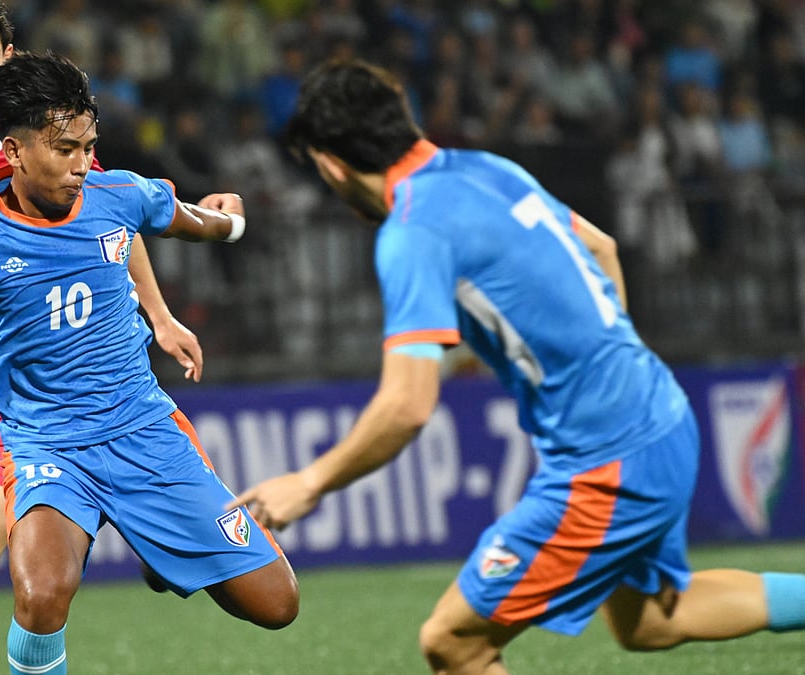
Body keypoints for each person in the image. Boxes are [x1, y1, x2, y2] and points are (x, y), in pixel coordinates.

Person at [231, 59, 805, 675]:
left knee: (453, 642)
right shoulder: (487, 168)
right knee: (655, 618)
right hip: (661, 414)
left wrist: (310, 482)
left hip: (606, 464)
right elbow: (600, 248)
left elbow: (406, 406)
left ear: (331, 164)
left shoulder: (412, 232)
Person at [0, 52, 299, 675]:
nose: (82, 165)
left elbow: (196, 221)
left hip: (143, 431)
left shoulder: (118, 195)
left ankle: (160, 557)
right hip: (46, 445)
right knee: (43, 594)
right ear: (16, 152)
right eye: (66, 150)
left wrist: (231, 222)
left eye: (88, 146)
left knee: (277, 606)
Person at [0, 3, 203, 671]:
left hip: (11, 400)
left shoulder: (52, 141)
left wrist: (159, 315)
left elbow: (113, 219)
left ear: (10, 57)